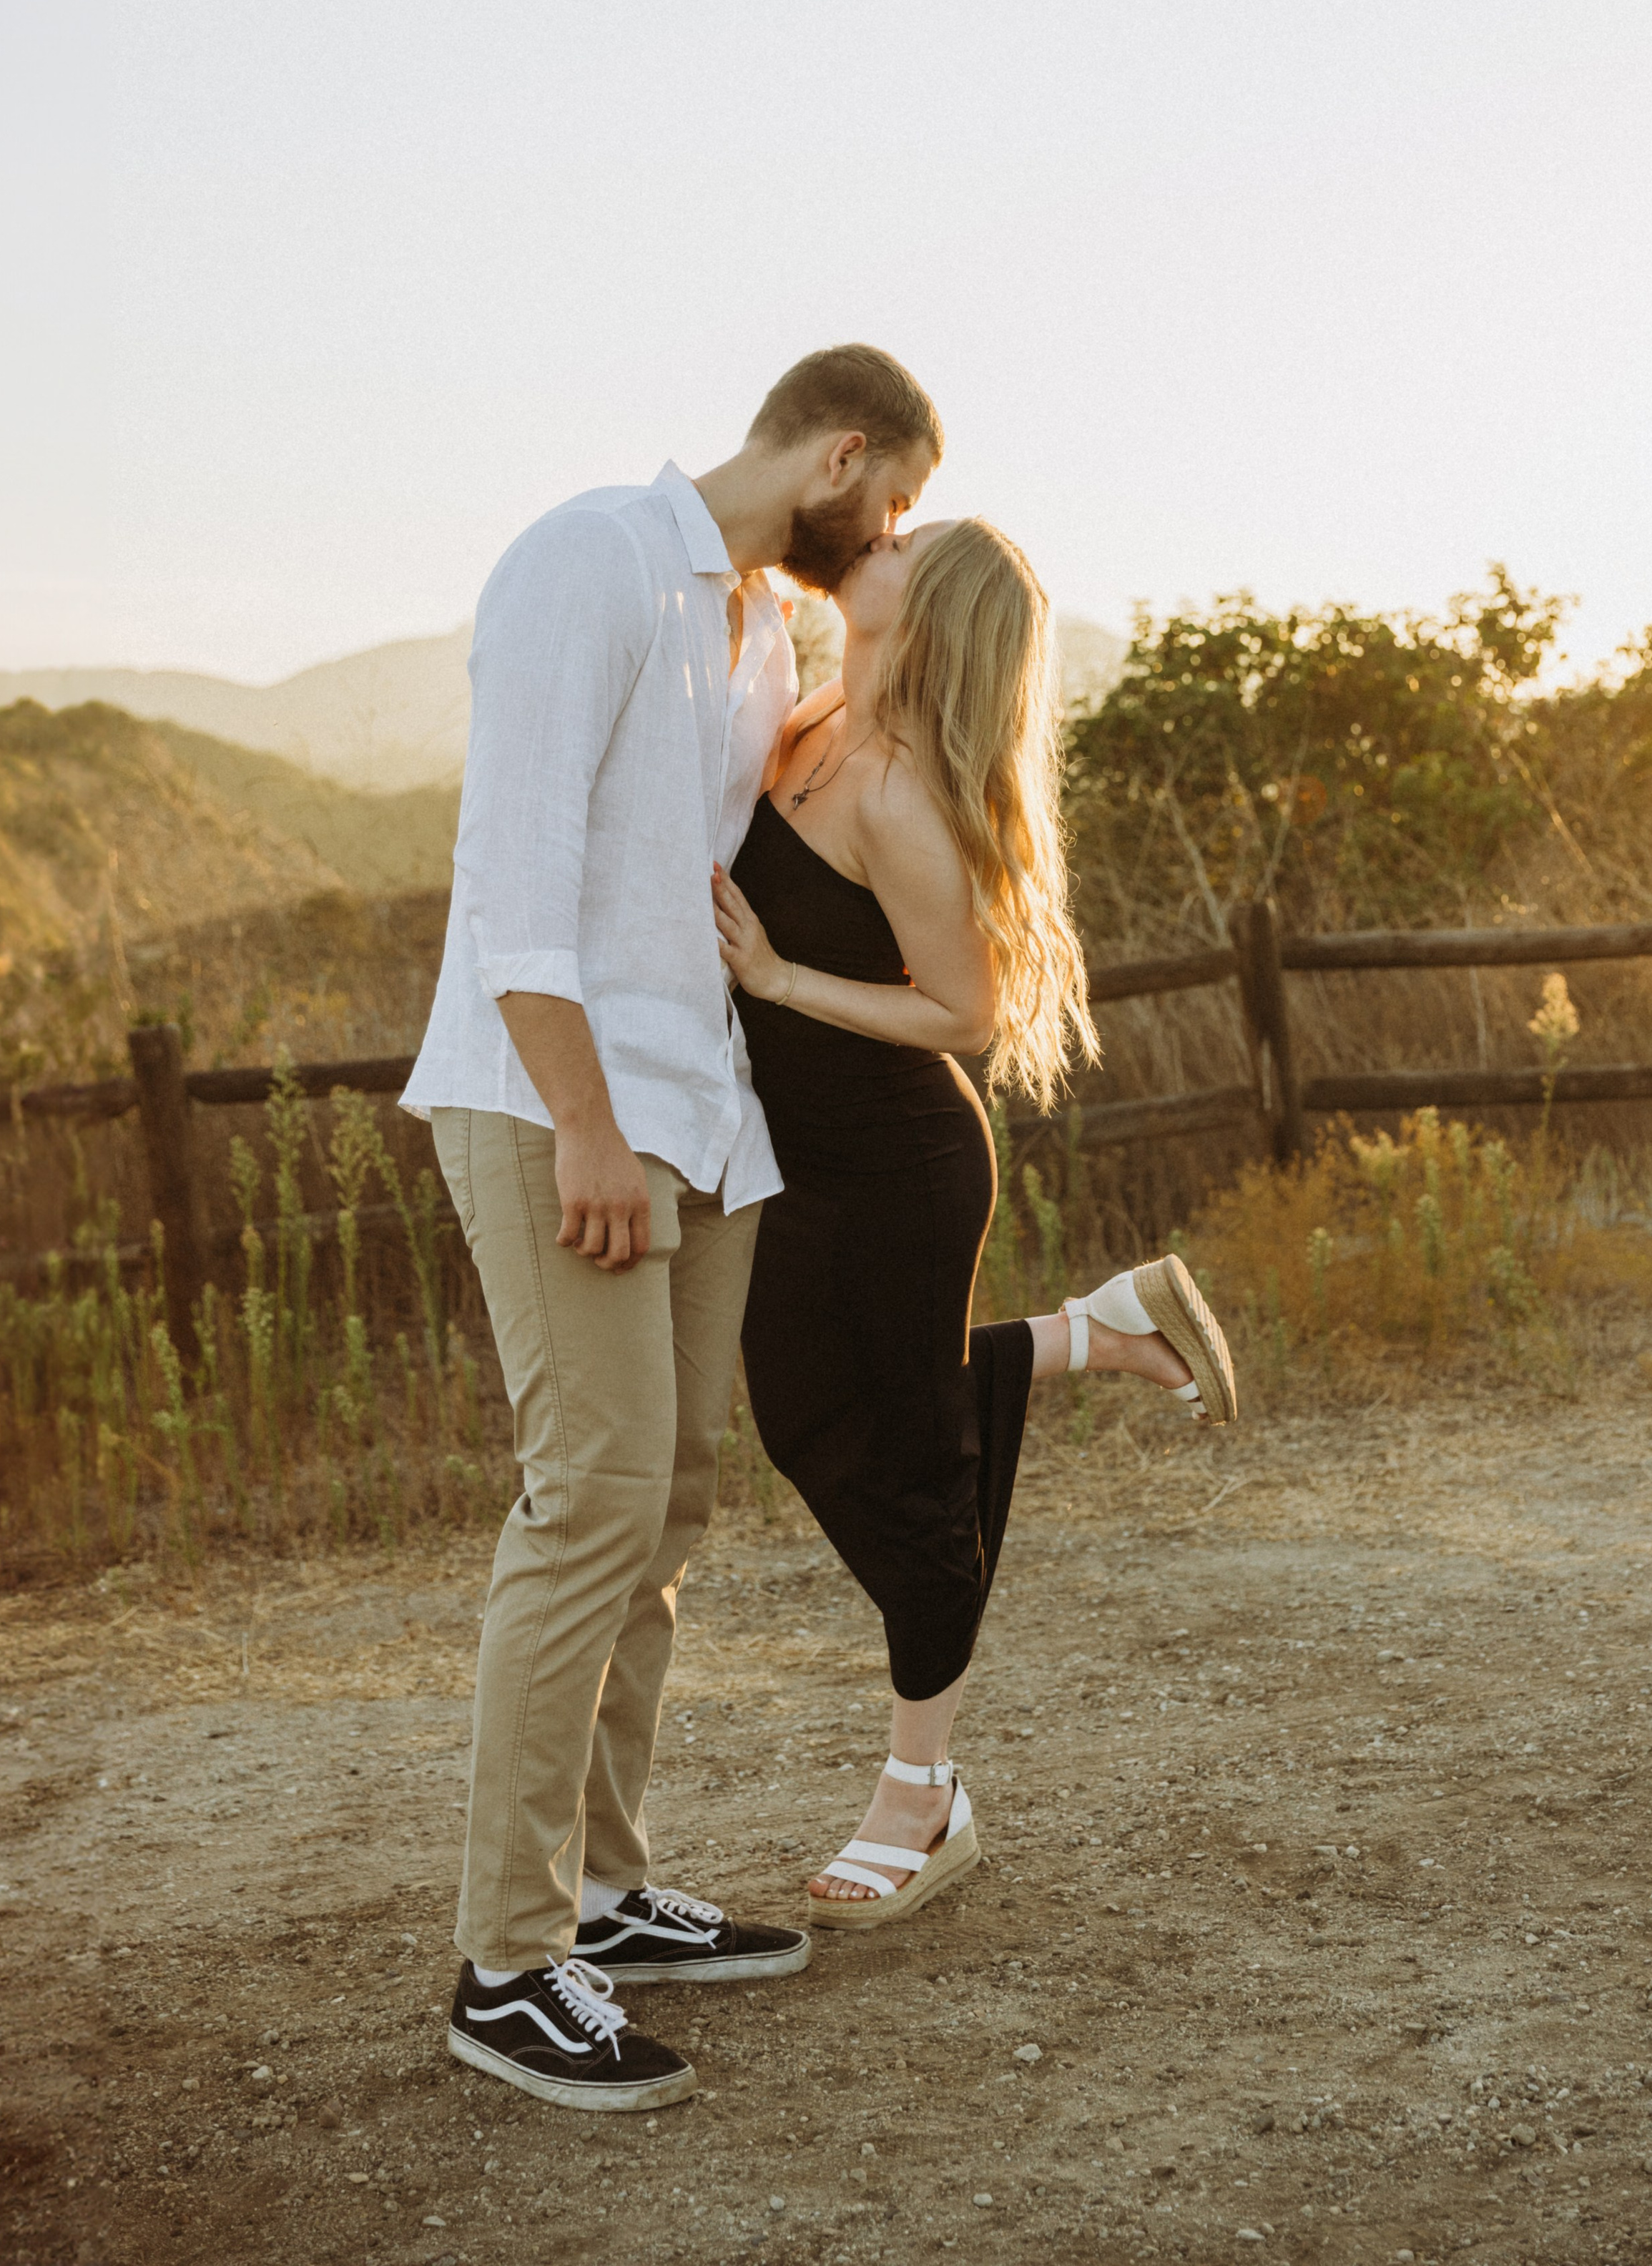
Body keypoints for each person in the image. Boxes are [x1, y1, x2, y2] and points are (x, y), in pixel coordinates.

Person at [403, 345, 943, 2108]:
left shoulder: (760, 634)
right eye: (897, 507)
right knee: (590, 1508)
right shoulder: (591, 559)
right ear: (843, 451)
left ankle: (609, 1886)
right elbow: (515, 871)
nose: (887, 539)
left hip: (698, 1106)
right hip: (557, 1101)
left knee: (669, 1502)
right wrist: (581, 1121)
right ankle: (507, 1961)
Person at [712, 518, 1238, 1930]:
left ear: (928, 604)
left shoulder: (890, 787)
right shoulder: (816, 713)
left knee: (912, 1470)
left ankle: (920, 1795)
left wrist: (774, 985)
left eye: (902, 540)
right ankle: (1099, 1329)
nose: (870, 539)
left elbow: (967, 1014)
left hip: (896, 1166)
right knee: (810, 1416)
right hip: (802, 1159)